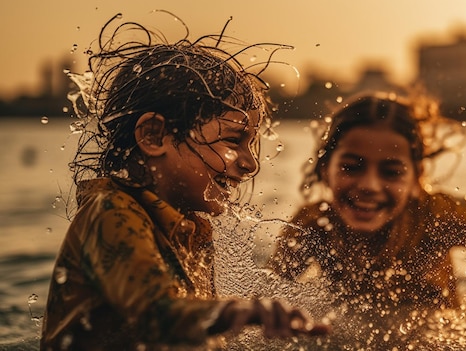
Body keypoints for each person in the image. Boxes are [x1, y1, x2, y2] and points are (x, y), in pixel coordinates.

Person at [40, 13, 328, 350]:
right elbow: (157, 314)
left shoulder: (192, 229)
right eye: (234, 141)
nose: (250, 165)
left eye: (251, 144)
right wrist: (242, 312)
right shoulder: (110, 213)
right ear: (154, 135)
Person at [268, 90, 466, 315]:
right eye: (352, 167)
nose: (369, 186)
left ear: (417, 178)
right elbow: (268, 293)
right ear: (325, 169)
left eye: (391, 171)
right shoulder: (311, 227)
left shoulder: (440, 217)